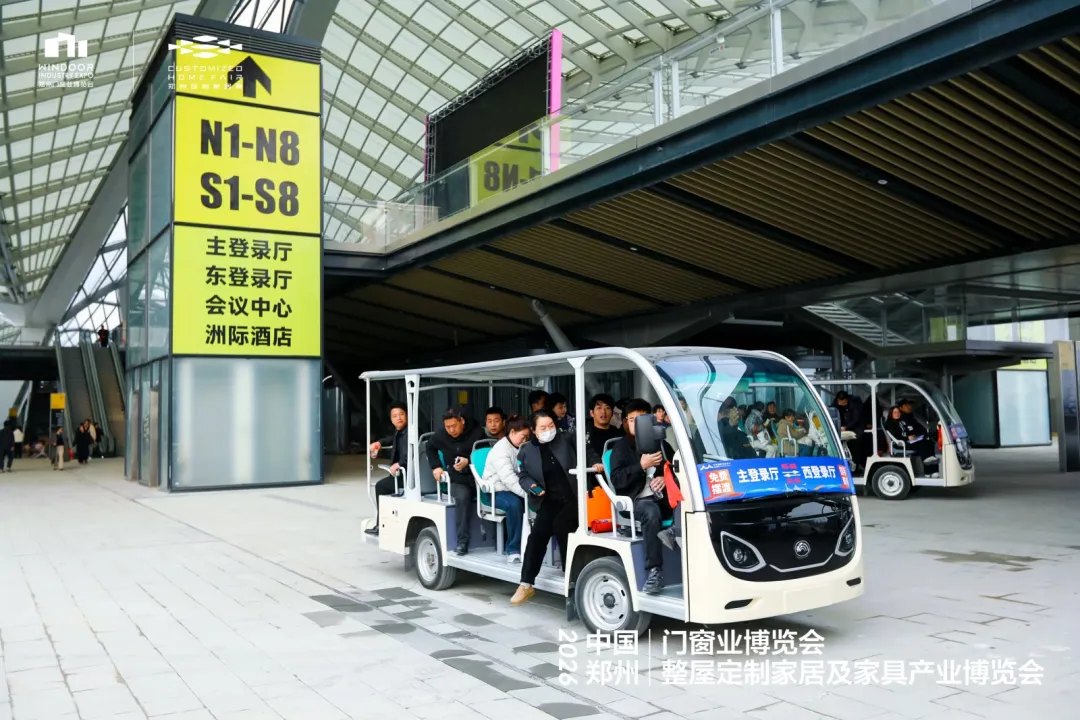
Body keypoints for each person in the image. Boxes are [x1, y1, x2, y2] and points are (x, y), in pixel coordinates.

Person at [511, 410, 603, 606]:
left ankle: (571, 576)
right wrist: (533, 487)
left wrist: (595, 462)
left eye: (551, 425)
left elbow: (588, 452)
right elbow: (523, 475)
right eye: (543, 427)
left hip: (575, 497)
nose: (548, 430)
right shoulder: (526, 450)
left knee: (562, 526)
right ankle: (526, 583)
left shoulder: (568, 438)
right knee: (537, 535)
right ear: (534, 430)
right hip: (548, 500)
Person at [608, 400, 678, 594]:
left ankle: (675, 531)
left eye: (641, 420)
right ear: (625, 422)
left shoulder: (661, 444)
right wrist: (641, 466)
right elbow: (617, 479)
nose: (636, 425)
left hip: (662, 498)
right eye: (632, 420)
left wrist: (665, 478)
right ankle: (654, 570)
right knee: (651, 511)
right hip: (635, 501)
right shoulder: (621, 447)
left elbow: (677, 469)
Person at [428, 408, 484, 556]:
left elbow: (485, 454)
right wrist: (436, 466)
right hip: (456, 479)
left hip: (478, 477)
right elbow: (430, 447)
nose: (451, 430)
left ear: (462, 421)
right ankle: (462, 541)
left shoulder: (477, 432)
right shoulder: (441, 435)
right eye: (448, 427)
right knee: (463, 496)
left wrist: (469, 461)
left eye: (454, 426)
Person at [481, 414, 530, 563]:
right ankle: (513, 549)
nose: (525, 440)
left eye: (527, 437)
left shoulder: (520, 446)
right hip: (495, 491)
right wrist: (527, 494)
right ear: (513, 432)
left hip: (514, 488)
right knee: (515, 504)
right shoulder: (501, 451)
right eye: (523, 436)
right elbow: (509, 479)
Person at [366, 403, 409, 536]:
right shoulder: (401, 431)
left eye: (401, 414)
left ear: (407, 415)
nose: (398, 418)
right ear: (391, 419)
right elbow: (392, 438)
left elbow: (409, 455)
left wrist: (399, 464)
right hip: (401, 473)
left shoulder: (409, 433)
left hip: (406, 476)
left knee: (381, 486)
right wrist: (379, 443)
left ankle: (380, 525)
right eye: (395, 416)